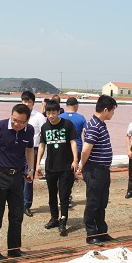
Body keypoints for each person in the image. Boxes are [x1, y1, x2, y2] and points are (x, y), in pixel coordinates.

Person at [0, 103, 35, 261]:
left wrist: (30, 170)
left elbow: (29, 150)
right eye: (14, 120)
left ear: (27, 121)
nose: (16, 124)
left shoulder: (29, 130)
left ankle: (14, 250)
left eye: (21, 122)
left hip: (18, 177)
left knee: (17, 215)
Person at [77, 95, 117, 246]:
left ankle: (102, 232)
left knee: (102, 202)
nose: (113, 114)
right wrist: (81, 166)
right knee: (93, 202)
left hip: (103, 170)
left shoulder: (101, 124)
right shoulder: (94, 125)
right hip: (95, 169)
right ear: (105, 110)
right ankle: (91, 234)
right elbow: (86, 150)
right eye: (112, 111)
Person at [36, 100, 78, 236]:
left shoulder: (67, 124)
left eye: (53, 113)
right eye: (48, 113)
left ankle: (63, 220)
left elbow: (73, 142)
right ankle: (54, 218)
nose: (51, 116)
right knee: (52, 194)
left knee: (64, 195)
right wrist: (38, 163)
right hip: (50, 166)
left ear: (58, 112)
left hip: (66, 166)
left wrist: (75, 160)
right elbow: (42, 145)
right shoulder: (45, 127)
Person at [21, 91, 46, 216]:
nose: (26, 104)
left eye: (29, 102)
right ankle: (17, 202)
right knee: (18, 176)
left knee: (28, 176)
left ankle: (26, 204)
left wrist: (41, 158)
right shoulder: (18, 114)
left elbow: (44, 136)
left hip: (33, 150)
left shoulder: (38, 117)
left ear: (33, 103)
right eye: (24, 101)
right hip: (19, 149)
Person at [59, 97, 87, 209]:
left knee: (61, 174)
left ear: (67, 105)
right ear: (76, 106)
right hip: (77, 148)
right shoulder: (81, 118)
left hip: (62, 149)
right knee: (71, 174)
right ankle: (68, 196)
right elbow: (86, 133)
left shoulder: (60, 117)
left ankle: (63, 197)